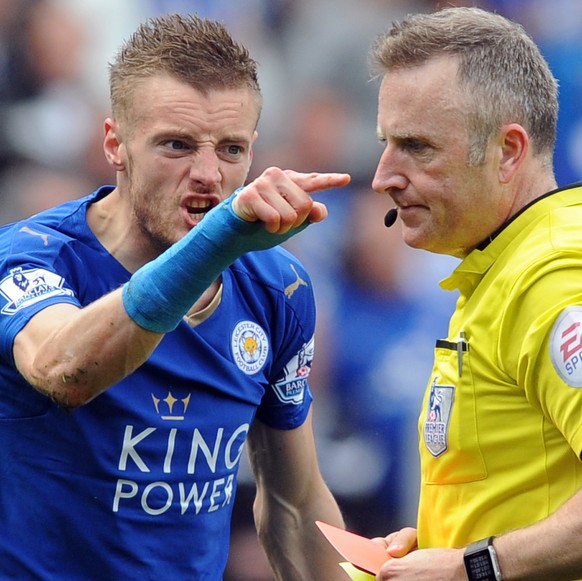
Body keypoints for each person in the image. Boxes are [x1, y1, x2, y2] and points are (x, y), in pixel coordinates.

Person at [0, 13, 349, 580]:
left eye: (232, 150)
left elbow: (294, 505)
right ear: (115, 143)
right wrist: (216, 242)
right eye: (176, 145)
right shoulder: (31, 257)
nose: (208, 174)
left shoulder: (276, 289)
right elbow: (63, 368)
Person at [367, 6, 582, 581]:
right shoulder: (501, 264)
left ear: (509, 151)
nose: (383, 175)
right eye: (386, 142)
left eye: (416, 146)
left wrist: (474, 565)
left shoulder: (552, 279)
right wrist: (445, 538)